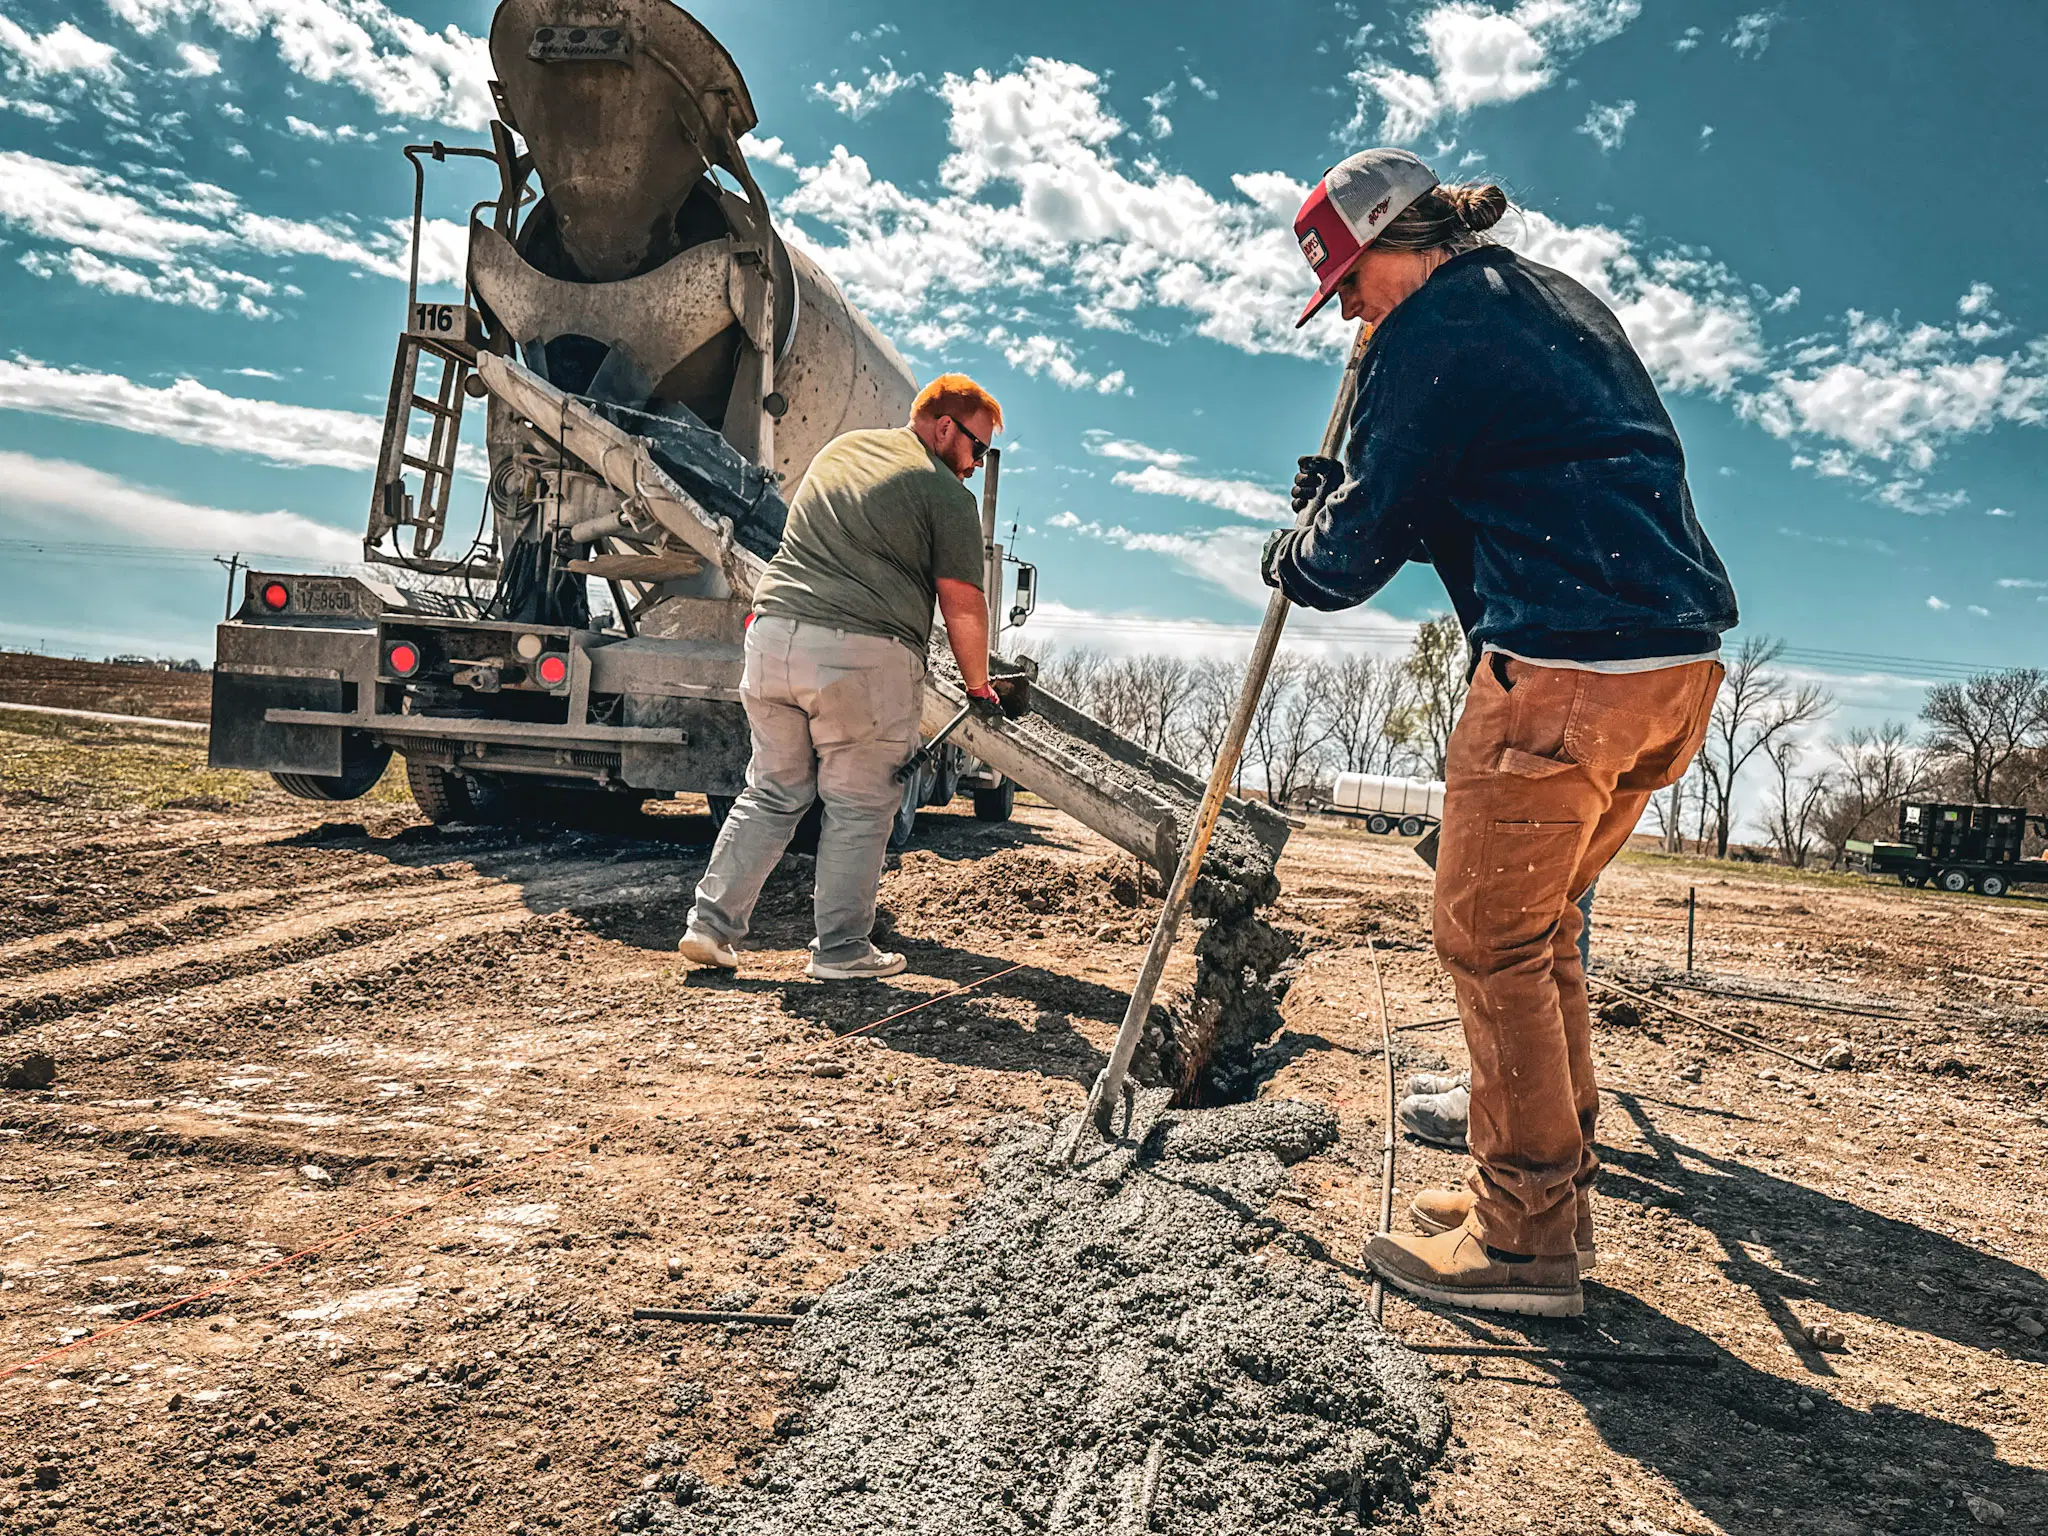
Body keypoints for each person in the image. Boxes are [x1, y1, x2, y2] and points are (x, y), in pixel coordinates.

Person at [1265, 149, 1735, 1316]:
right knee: (1541, 938)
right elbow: (1492, 490)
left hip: (1565, 674)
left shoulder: (1420, 339)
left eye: (1352, 290)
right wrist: (1374, 481)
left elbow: (1348, 558)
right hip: (1668, 666)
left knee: (1488, 943)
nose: (1352, 317)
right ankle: (1534, 1189)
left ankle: (1522, 1245)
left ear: (1392, 248)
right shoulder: (1550, 299)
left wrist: (1305, 534)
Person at [676, 375, 1007, 981]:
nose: (976, 464)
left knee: (772, 791)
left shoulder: (841, 451)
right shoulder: (945, 494)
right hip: (859, 653)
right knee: (860, 804)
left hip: (772, 639)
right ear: (942, 428)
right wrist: (980, 687)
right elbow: (963, 604)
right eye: (977, 449)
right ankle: (841, 950)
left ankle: (710, 927)